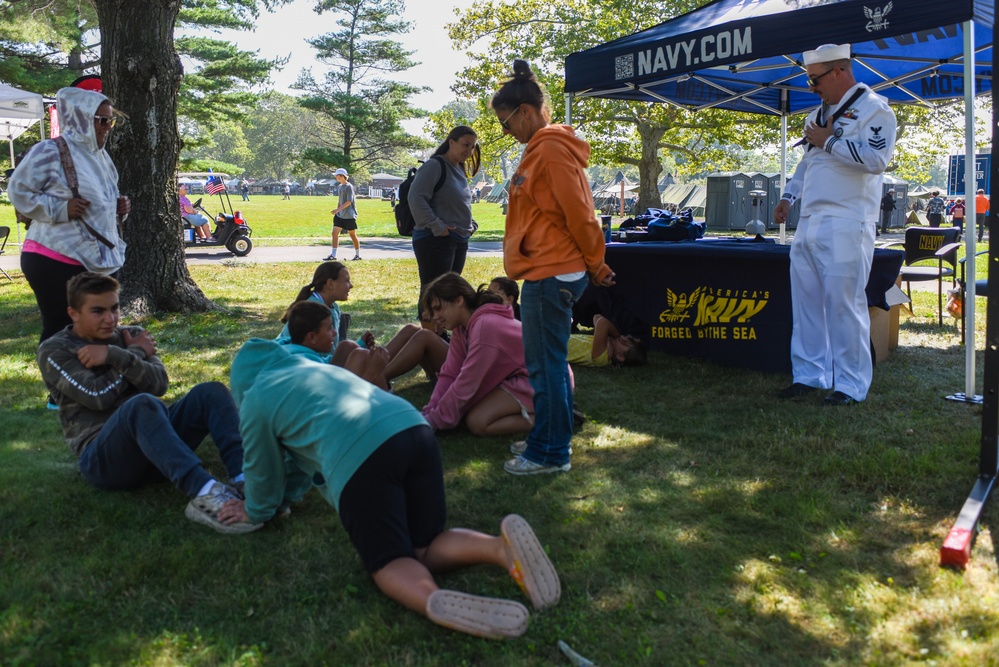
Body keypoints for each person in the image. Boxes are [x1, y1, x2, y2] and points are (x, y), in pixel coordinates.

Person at [220, 336, 561, 639]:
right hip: (413, 428)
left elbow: (264, 468)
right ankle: (500, 550)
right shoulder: (321, 372)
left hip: (359, 453)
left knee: (390, 562)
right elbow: (296, 462)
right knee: (425, 545)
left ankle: (430, 598)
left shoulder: (255, 399)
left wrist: (256, 509)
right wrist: (286, 497)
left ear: (242, 386)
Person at [37, 272, 258, 533]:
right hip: (104, 459)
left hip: (157, 444)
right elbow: (98, 397)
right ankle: (205, 492)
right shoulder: (55, 350)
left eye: (114, 308)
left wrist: (114, 354)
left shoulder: (131, 334)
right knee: (142, 404)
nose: (110, 319)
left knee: (211, 392)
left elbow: (159, 384)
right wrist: (134, 354)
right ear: (73, 313)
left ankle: (248, 481)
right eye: (98, 311)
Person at [490, 59, 614, 475]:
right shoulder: (544, 149)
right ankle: (546, 436)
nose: (505, 133)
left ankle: (550, 452)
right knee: (547, 364)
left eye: (505, 124)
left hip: (554, 271)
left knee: (545, 367)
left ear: (524, 111)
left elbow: (581, 213)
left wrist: (596, 265)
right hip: (547, 269)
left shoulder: (551, 149)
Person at [773, 43, 896, 406]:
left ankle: (850, 385)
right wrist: (788, 197)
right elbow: (807, 162)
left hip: (847, 219)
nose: (812, 87)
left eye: (815, 79)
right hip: (810, 220)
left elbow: (876, 159)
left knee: (845, 305)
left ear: (839, 72)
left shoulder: (875, 109)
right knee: (807, 303)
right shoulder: (818, 111)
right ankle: (809, 375)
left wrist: (829, 141)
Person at [8, 87, 131, 347]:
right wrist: (60, 209)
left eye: (111, 120)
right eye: (103, 120)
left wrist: (120, 209)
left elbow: (102, 203)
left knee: (98, 332)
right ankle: (61, 386)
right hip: (52, 258)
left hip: (97, 260)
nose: (108, 127)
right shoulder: (50, 151)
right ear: (81, 118)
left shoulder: (103, 158)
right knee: (61, 332)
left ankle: (90, 386)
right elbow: (18, 191)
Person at [420, 273, 534, 436]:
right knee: (467, 409)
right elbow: (450, 374)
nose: (435, 317)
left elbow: (468, 382)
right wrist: (428, 413)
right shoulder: (462, 328)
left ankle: (553, 417)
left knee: (477, 421)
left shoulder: (485, 326)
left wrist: (435, 421)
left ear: (459, 300)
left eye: (438, 308)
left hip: (541, 380)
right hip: (515, 379)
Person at [409, 126, 481, 327]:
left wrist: (469, 223)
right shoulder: (435, 166)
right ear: (451, 142)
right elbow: (416, 198)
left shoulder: (458, 169)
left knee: (450, 292)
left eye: (472, 147)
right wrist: (436, 225)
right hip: (435, 240)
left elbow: (459, 202)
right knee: (433, 292)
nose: (468, 151)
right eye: (465, 145)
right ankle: (429, 338)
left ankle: (440, 338)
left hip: (457, 239)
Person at [275, 261, 386, 386]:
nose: (351, 286)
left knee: (351, 347)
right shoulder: (315, 311)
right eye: (347, 280)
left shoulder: (332, 307)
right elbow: (327, 354)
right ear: (330, 284)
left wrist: (359, 344)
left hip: (315, 364)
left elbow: (333, 350)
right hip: (305, 370)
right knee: (362, 356)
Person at [567, 314, 647, 368]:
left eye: (626, 342)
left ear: (620, 357)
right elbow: (597, 316)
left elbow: (603, 322)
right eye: (628, 338)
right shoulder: (605, 344)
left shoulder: (603, 356)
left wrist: (616, 335)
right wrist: (608, 338)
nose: (623, 337)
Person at [325, 168, 360, 261]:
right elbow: (340, 201)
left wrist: (338, 209)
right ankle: (333, 255)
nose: (335, 177)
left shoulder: (349, 187)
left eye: (337, 175)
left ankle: (357, 255)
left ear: (341, 176)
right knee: (334, 233)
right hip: (340, 215)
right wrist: (337, 211)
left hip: (349, 215)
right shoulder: (340, 187)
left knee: (352, 234)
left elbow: (349, 201)